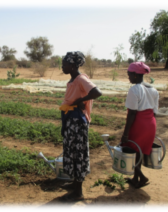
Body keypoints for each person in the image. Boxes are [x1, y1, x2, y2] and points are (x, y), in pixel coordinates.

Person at [59, 51, 102, 202]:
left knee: (78, 154)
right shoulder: (73, 80)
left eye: (64, 64)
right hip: (71, 121)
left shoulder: (81, 79)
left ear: (72, 65)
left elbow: (97, 92)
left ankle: (78, 192)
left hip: (77, 123)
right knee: (72, 152)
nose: (62, 67)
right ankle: (74, 184)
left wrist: (80, 101)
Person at [121, 61, 159, 189]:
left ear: (136, 75)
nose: (128, 77)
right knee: (139, 151)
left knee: (131, 150)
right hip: (150, 124)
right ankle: (135, 178)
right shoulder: (153, 90)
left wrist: (125, 134)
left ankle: (141, 177)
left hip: (139, 124)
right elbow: (155, 112)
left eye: (129, 74)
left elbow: (132, 113)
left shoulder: (135, 89)